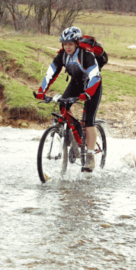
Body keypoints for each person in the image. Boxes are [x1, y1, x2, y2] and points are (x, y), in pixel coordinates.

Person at [34, 26, 103, 172]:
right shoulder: (62, 55)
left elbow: (95, 76)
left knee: (89, 120)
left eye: (70, 44)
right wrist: (41, 91)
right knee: (63, 106)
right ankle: (74, 138)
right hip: (76, 83)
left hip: (92, 85)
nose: (67, 47)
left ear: (77, 43)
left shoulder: (87, 56)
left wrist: (88, 93)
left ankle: (90, 157)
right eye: (65, 44)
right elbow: (50, 73)